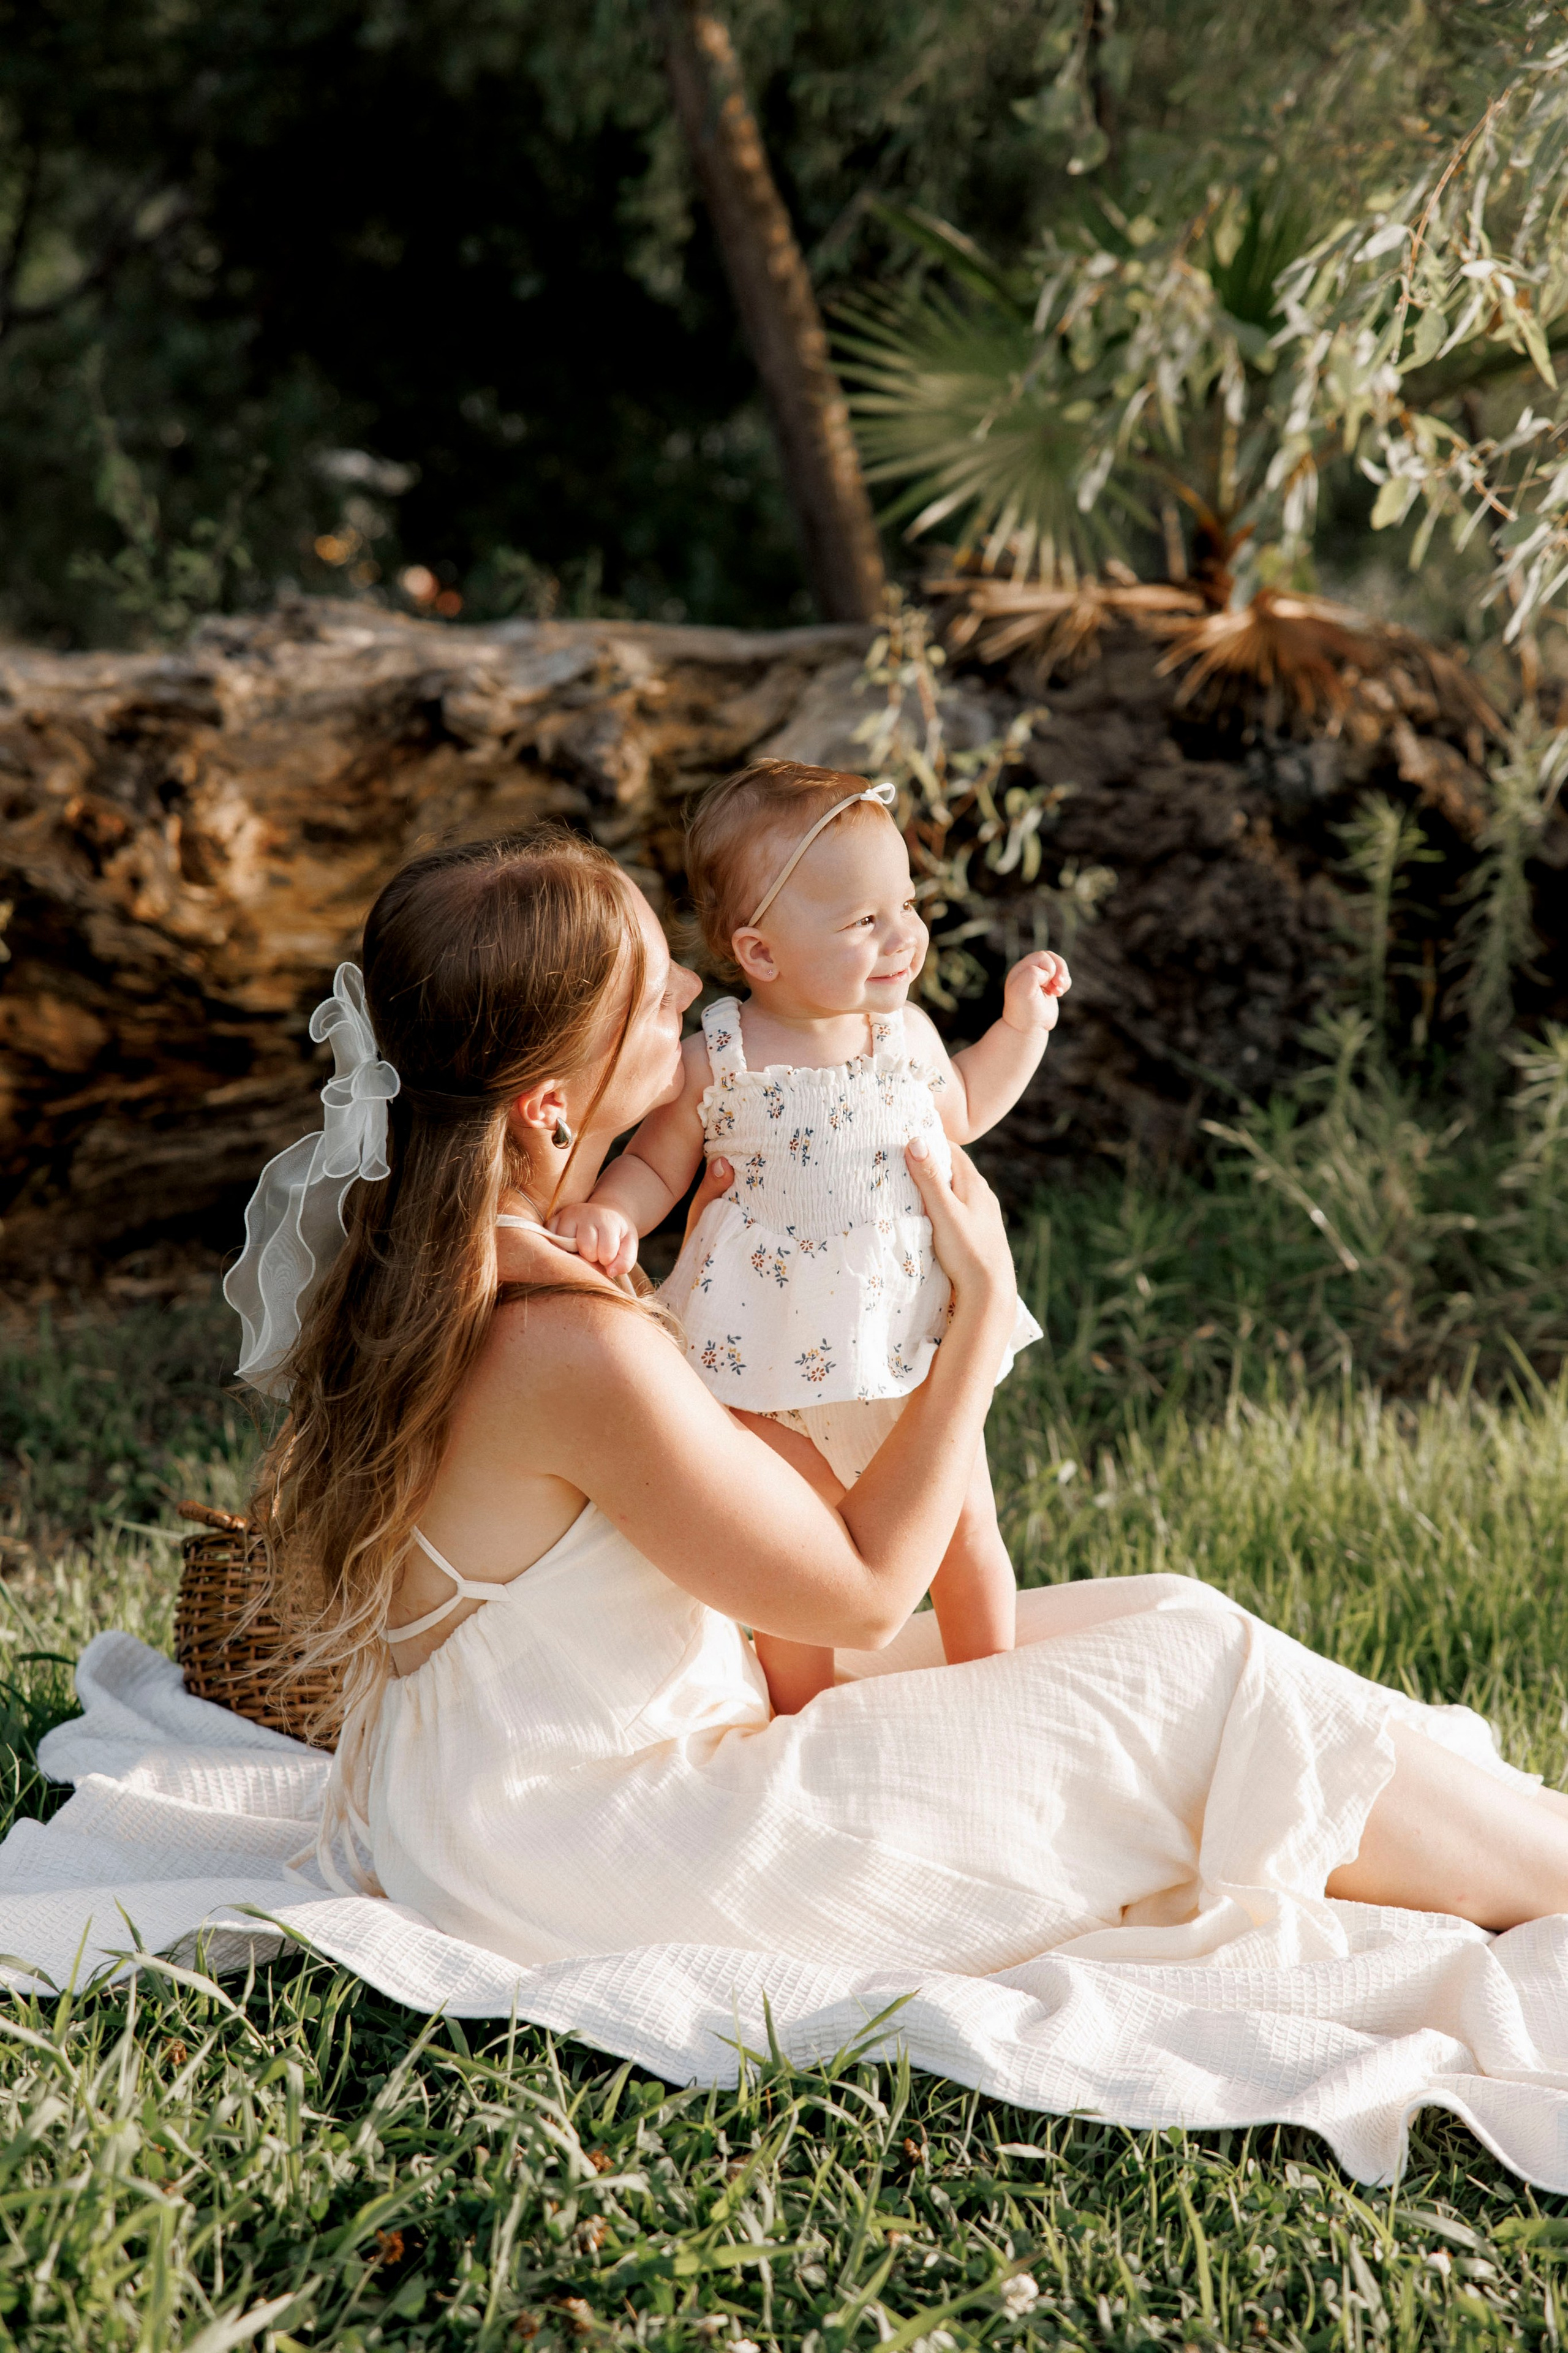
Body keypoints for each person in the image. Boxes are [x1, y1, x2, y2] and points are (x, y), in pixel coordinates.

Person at [227, 825, 1568, 1973]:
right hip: (611, 1843)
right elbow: (867, 1589)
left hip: (495, 1802)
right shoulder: (570, 1346)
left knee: (1169, 1613)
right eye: (650, 999)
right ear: (545, 1107)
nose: (690, 988)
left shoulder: (419, 1257)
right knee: (1192, 1682)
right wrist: (975, 1327)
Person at [551, 760, 1066, 1712]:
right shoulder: (721, 1056)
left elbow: (967, 1106)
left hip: (909, 1340)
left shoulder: (904, 1036)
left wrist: (1020, 1026)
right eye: (863, 921)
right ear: (761, 951)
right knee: (794, 1550)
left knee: (964, 1530)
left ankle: (996, 1694)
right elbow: (659, 1165)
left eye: (905, 905)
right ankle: (801, 1712)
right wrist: (611, 1214)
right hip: (769, 1349)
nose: (903, 936)